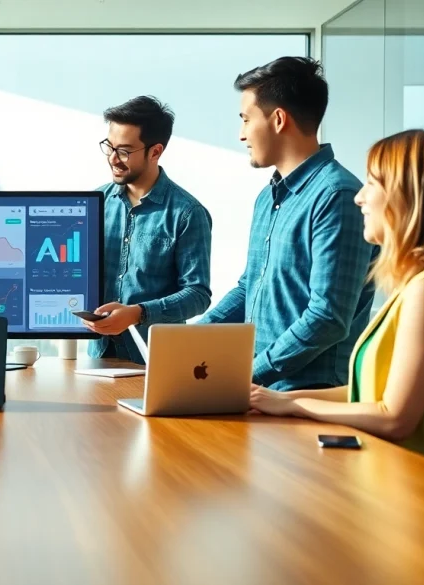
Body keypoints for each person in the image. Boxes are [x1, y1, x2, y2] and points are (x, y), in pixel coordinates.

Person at [251, 129, 424, 457]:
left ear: (410, 197)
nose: (359, 197)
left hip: (405, 488)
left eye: (372, 184)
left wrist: (297, 405)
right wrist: (282, 400)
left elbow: (394, 417)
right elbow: (369, 395)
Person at [197, 57, 377, 390]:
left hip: (306, 403)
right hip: (258, 395)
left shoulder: (338, 196)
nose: (241, 135)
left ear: (278, 119)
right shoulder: (267, 199)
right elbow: (250, 286)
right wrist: (189, 340)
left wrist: (248, 374)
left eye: (246, 120)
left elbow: (327, 318)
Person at [81, 96, 213, 364]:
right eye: (109, 146)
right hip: (98, 356)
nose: (113, 159)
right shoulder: (95, 203)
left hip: (156, 361)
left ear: (155, 151)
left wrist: (138, 313)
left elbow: (198, 295)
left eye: (125, 151)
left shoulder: (187, 213)